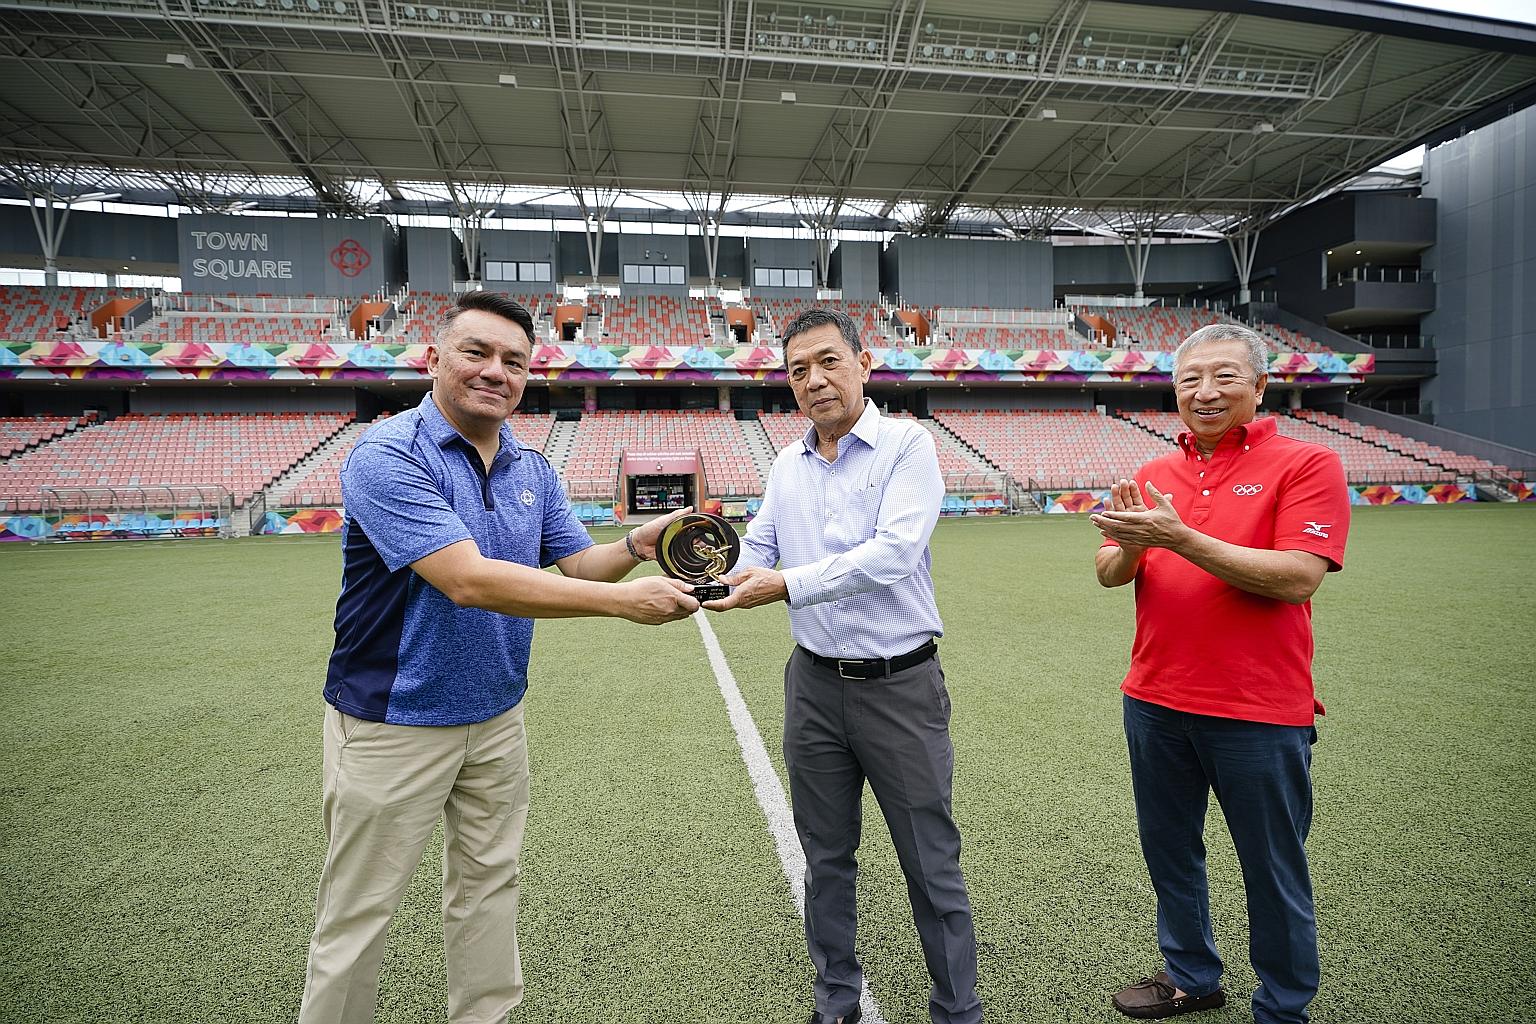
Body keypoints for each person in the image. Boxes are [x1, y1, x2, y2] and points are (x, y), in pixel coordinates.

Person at [298, 290, 699, 1024]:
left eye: (514, 361)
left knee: (489, 888)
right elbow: (467, 580)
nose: (496, 372)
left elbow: (580, 565)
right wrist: (625, 605)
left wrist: (639, 546)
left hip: (496, 717)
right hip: (394, 719)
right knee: (358, 913)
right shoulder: (388, 455)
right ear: (434, 359)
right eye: (477, 353)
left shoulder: (531, 470)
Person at [704, 308, 982, 1024]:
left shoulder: (906, 446)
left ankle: (957, 1010)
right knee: (825, 857)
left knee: (930, 862)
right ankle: (836, 1000)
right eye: (798, 370)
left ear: (864, 363)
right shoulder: (787, 464)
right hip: (815, 685)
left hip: (901, 686)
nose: (815, 380)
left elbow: (891, 557)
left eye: (828, 362)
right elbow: (757, 547)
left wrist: (784, 585)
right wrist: (701, 569)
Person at [1089, 323, 1351, 1024]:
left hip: (1259, 711)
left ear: (1260, 386)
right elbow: (1110, 571)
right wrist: (1134, 545)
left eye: (1224, 377)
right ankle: (1191, 977)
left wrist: (1179, 537)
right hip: (1153, 700)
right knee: (1171, 854)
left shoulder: (1307, 464)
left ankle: (1284, 1007)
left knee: (1272, 870)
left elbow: (1298, 578)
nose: (1204, 392)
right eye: (1189, 380)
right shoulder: (1151, 474)